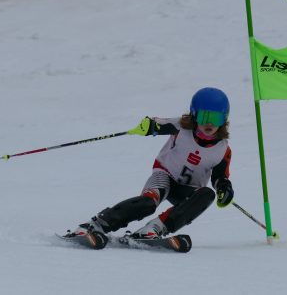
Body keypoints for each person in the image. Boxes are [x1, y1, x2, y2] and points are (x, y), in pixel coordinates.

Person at [66, 87, 234, 249]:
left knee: (207, 195)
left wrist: (224, 188)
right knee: (148, 202)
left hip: (188, 190)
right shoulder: (180, 127)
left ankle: (153, 229)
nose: (210, 123)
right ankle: (95, 225)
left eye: (217, 118)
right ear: (194, 114)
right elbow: (157, 123)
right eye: (205, 117)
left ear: (224, 120)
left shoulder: (222, 150)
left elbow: (220, 177)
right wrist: (149, 126)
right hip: (165, 175)